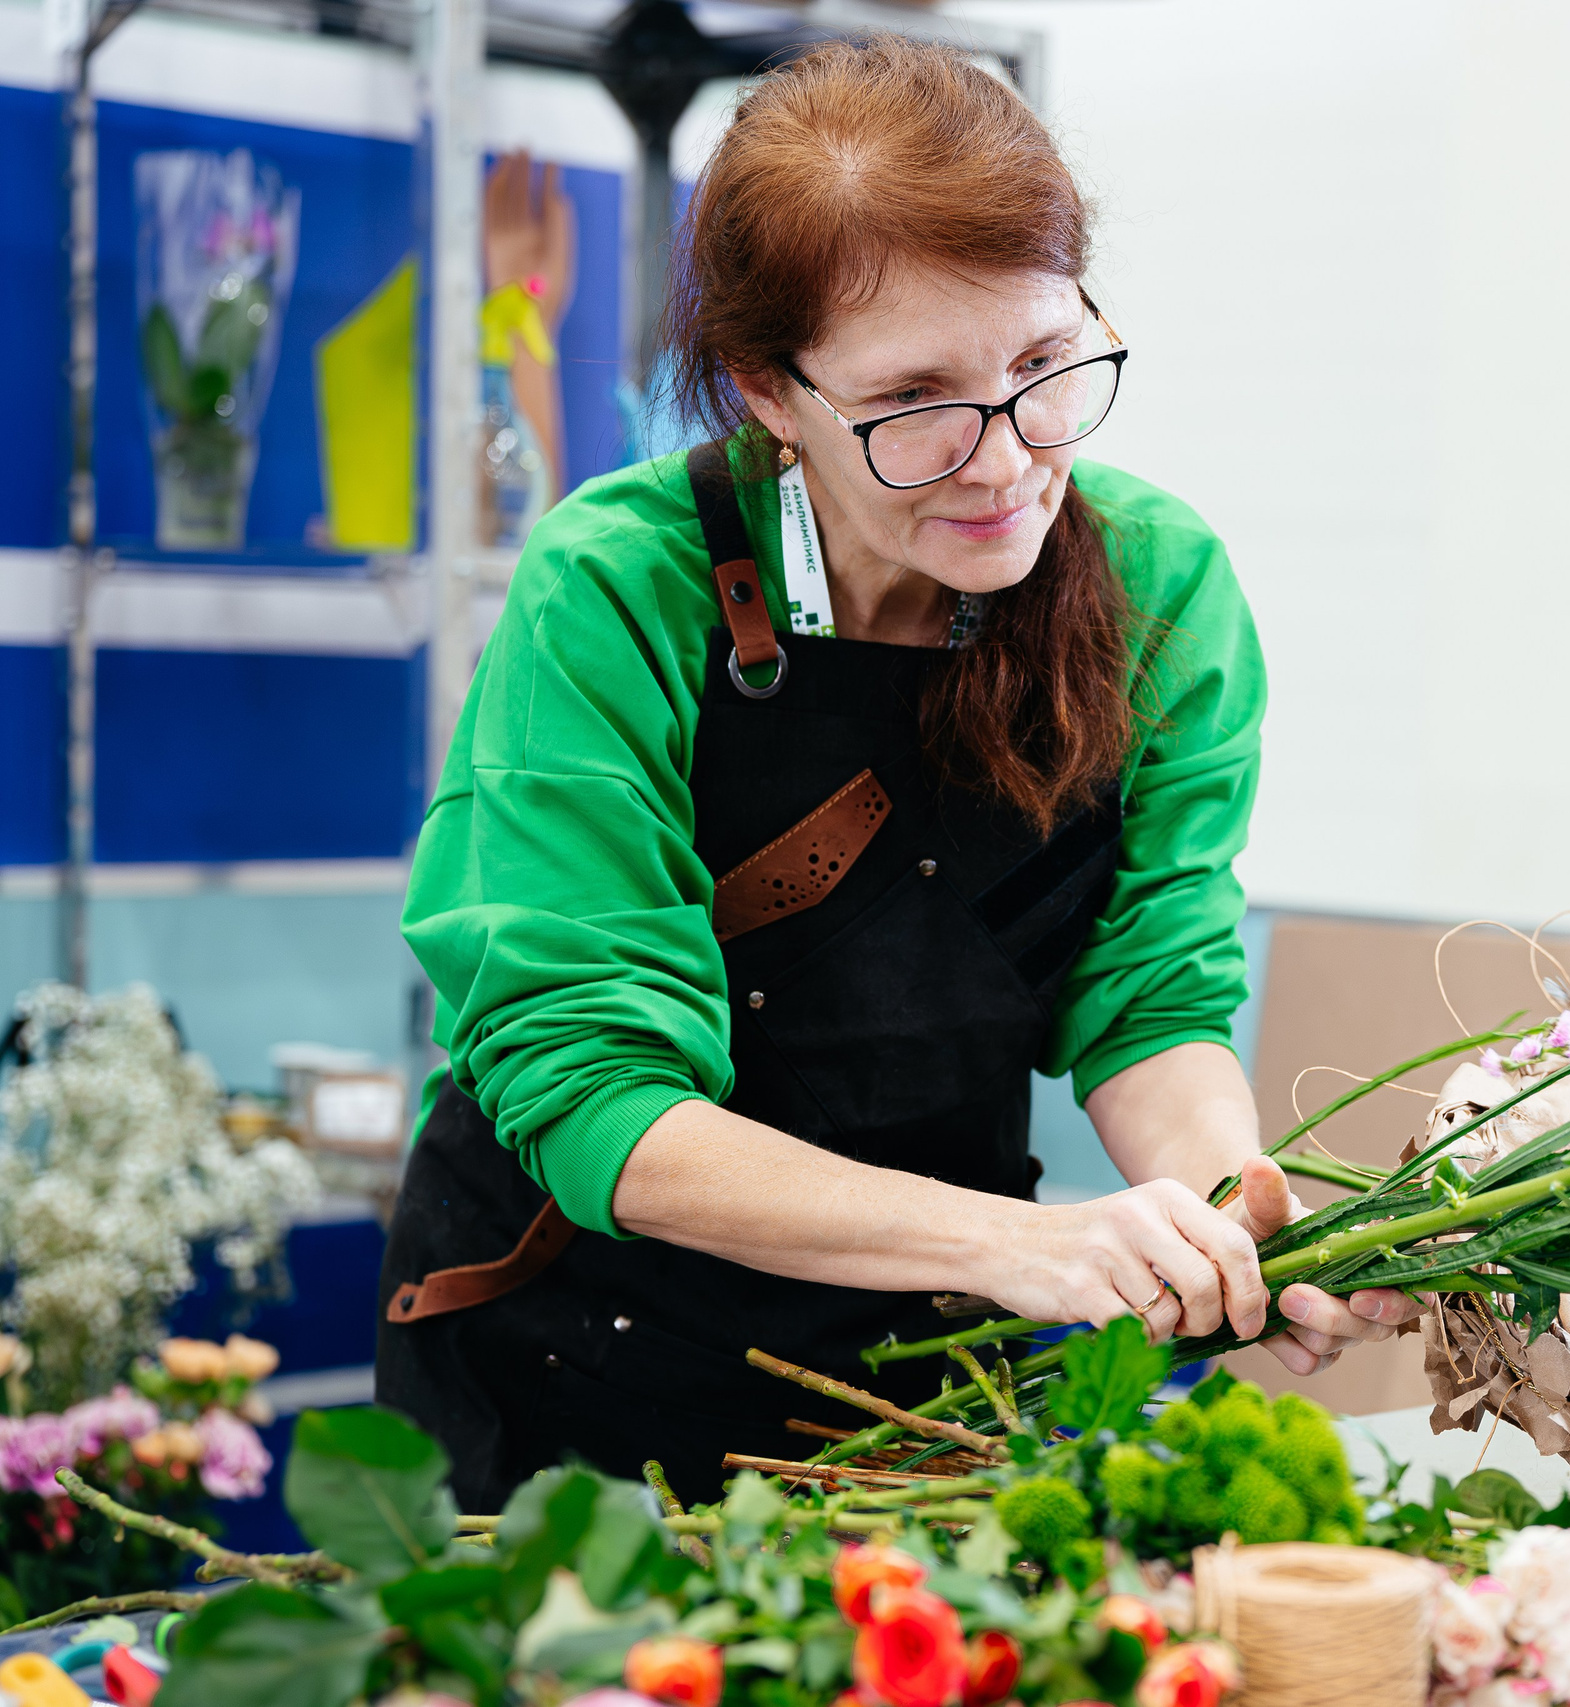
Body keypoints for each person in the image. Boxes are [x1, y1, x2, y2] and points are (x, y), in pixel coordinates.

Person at [378, 37, 1416, 1511]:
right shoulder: (618, 590)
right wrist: (1014, 1246)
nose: (1004, 461)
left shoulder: (1162, 590)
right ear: (769, 391)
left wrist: (1223, 1210)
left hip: (927, 1395)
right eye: (918, 399)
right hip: (574, 1376)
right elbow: (595, 1093)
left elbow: (1151, 998)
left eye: (1047, 367)